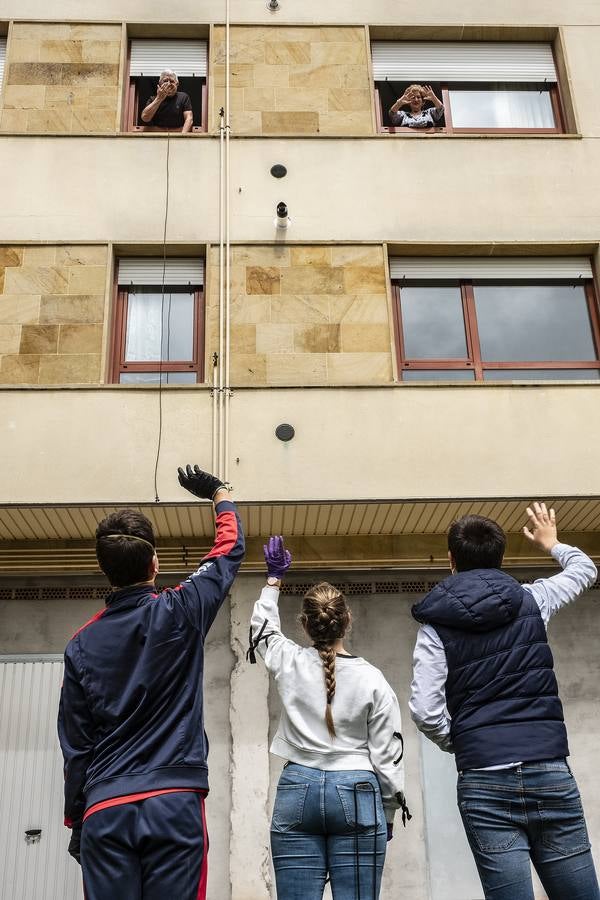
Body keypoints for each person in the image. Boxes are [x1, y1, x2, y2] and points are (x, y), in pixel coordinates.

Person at [57, 465, 244, 900]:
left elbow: (76, 745)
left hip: (106, 808)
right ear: (155, 564)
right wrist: (220, 493)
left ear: (105, 570)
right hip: (173, 803)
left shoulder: (79, 645)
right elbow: (229, 550)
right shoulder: (181, 610)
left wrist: (78, 818)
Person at [410, 503, 599, 900]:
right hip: (547, 768)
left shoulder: (435, 625)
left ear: (451, 560)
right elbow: (584, 570)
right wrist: (553, 543)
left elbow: (425, 710)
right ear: (501, 558)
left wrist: (464, 740)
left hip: (484, 780)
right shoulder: (534, 599)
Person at [248, 535, 410, 900]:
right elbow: (388, 754)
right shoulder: (374, 680)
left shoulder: (289, 662)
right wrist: (386, 812)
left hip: (297, 789)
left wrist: (273, 581)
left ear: (305, 624)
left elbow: (261, 633)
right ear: (347, 621)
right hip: (357, 793)